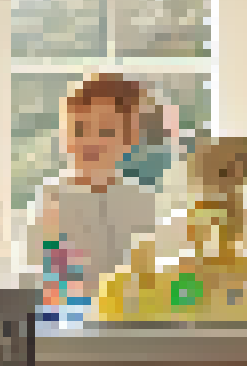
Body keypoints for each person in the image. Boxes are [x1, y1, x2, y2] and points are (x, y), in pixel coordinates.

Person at [26, 73, 162, 296]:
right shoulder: (52, 199)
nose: (91, 140)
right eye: (80, 130)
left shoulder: (141, 199)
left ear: (129, 139)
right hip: (70, 317)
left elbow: (149, 270)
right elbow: (42, 273)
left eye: (106, 132)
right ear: (65, 136)